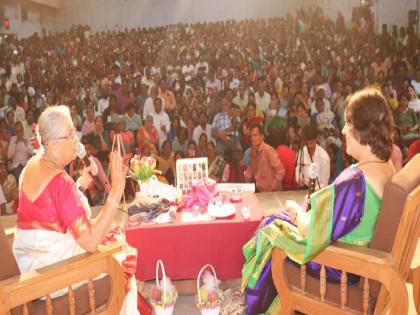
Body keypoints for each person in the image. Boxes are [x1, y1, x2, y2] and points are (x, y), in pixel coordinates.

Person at [242, 87, 395, 314]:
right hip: (358, 259)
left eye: (349, 124)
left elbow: (311, 231)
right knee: (277, 221)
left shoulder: (356, 180)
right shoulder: (386, 166)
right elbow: (349, 214)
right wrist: (319, 202)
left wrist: (295, 211)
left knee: (271, 228)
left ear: (364, 131)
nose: (343, 130)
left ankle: (256, 308)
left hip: (340, 265)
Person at [12, 106, 139, 314]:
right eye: (70, 134)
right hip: (56, 284)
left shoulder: (30, 167)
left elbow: (50, 215)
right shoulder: (61, 183)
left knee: (112, 231)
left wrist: (79, 185)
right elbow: (89, 242)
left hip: (31, 274)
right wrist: (116, 190)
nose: (76, 139)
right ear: (51, 145)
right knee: (123, 254)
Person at [244, 124, 285, 192]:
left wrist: (272, 188)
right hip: (259, 190)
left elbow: (281, 171)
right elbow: (249, 172)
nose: (252, 138)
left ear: (262, 136)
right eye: (251, 136)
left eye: (255, 135)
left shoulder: (268, 150)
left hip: (271, 192)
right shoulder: (252, 152)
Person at [295, 124, 331, 189]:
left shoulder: (324, 157)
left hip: (319, 190)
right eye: (307, 143)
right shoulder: (301, 153)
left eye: (311, 143)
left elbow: (324, 183)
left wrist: (313, 190)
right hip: (304, 188)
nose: (309, 146)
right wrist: (299, 179)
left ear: (316, 139)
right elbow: (298, 171)